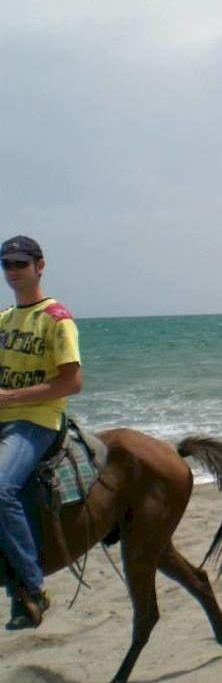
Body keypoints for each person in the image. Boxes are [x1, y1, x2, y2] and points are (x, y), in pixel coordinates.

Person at [0, 235, 82, 629]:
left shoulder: (57, 318)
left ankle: (30, 590)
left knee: (0, 488)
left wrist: (11, 397)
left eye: (20, 263)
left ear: (39, 266)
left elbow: (71, 383)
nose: (13, 271)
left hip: (36, 421)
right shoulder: (4, 319)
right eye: (7, 265)